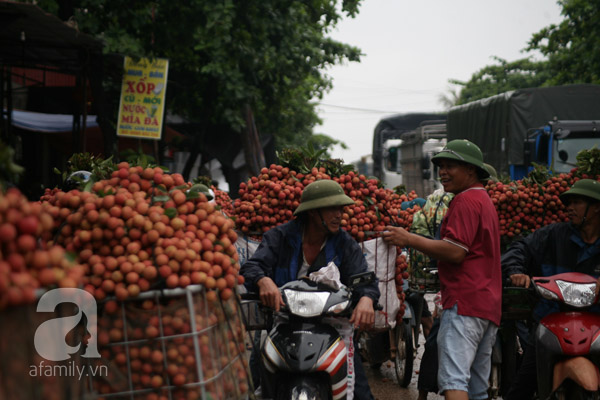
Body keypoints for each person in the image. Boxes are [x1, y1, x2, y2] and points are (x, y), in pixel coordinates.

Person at [382, 139, 502, 400]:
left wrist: (408, 238)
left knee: (454, 381)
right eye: (441, 167)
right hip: (487, 304)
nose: (443, 172)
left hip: (465, 301)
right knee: (478, 388)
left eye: (450, 166)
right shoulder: (484, 199)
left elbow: (456, 251)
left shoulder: (465, 201)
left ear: (471, 170)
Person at [240, 179, 381, 400]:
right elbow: (252, 266)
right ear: (314, 213)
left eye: (341, 208)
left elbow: (364, 280)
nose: (339, 214)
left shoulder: (345, 243)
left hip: (332, 326)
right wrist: (262, 280)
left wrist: (367, 299)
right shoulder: (280, 237)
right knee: (257, 383)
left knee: (359, 393)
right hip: (283, 322)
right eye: (333, 208)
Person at [501, 178, 600, 400]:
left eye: (576, 203)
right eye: (568, 203)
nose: (569, 208)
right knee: (523, 386)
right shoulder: (553, 235)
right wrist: (516, 271)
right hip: (551, 322)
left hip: (597, 325)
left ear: (596, 208)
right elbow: (520, 248)